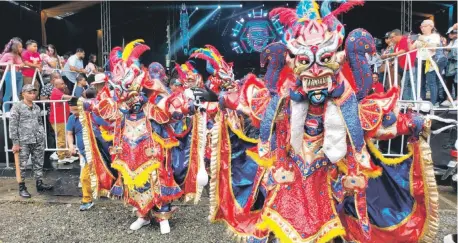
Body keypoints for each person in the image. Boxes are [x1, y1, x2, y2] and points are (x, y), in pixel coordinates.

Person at [9, 84, 53, 198]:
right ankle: (22, 187)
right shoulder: (17, 107)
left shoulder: (37, 107)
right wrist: (15, 142)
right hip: (23, 140)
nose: (32, 95)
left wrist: (41, 133)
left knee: (38, 162)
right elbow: (13, 125)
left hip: (37, 139)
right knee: (22, 165)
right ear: (23, 93)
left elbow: (39, 122)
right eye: (29, 92)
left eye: (34, 92)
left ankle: (39, 183)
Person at [409, 19, 445, 108]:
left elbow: (433, 48)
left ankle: (433, 103)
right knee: (420, 83)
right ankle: (421, 101)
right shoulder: (419, 37)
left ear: (431, 26)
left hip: (430, 60)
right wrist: (408, 40)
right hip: (419, 60)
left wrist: (423, 40)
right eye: (421, 26)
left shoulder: (435, 36)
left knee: (431, 82)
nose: (422, 28)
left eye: (424, 26)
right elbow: (411, 49)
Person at [66, 97, 94, 211]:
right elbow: (69, 133)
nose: (75, 113)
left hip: (97, 153)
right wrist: (71, 146)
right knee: (84, 178)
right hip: (84, 154)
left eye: (76, 110)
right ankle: (87, 200)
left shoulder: (91, 117)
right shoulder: (72, 118)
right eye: (72, 110)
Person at [49, 78, 77, 164]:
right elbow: (66, 97)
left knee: (65, 137)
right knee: (61, 138)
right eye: (61, 84)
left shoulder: (59, 91)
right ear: (56, 85)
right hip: (58, 120)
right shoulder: (55, 91)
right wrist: (75, 97)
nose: (63, 85)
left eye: (63, 83)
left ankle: (67, 155)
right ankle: (61, 157)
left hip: (63, 119)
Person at [386, 29, 417, 100]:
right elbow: (395, 55)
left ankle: (412, 101)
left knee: (411, 83)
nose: (391, 39)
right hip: (405, 67)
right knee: (405, 84)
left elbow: (401, 52)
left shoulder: (404, 40)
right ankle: (407, 101)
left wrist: (388, 55)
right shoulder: (397, 44)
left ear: (397, 35)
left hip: (411, 65)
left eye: (392, 37)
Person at [0, 38, 24, 112]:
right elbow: (1, 63)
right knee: (9, 93)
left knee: (17, 93)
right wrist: (7, 64)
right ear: (15, 47)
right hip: (9, 74)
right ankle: (6, 111)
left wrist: (23, 64)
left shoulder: (19, 56)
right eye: (20, 47)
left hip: (19, 75)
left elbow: (22, 64)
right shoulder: (7, 55)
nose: (21, 49)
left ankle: (14, 111)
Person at [442, 26, 458, 106]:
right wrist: (444, 44)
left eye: (451, 33)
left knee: (456, 81)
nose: (449, 35)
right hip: (451, 63)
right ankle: (449, 98)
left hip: (456, 63)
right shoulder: (452, 42)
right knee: (449, 80)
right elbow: (448, 49)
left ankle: (457, 98)